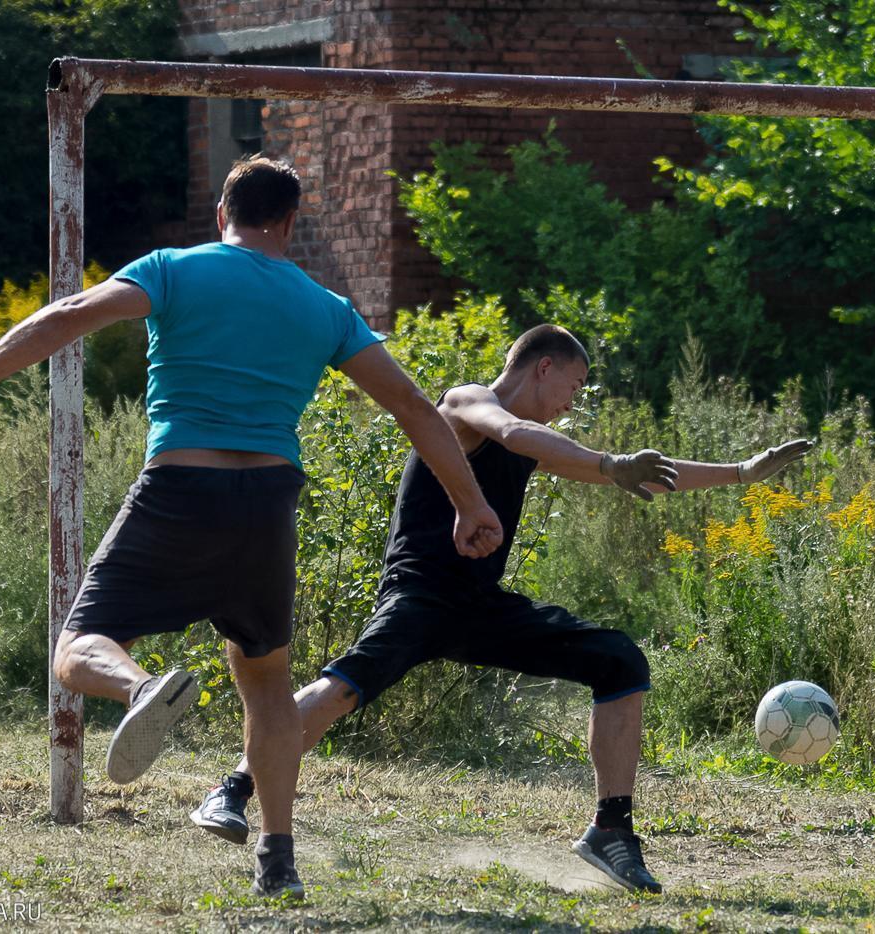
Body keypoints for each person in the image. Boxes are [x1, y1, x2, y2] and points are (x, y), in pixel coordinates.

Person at [0, 156, 504, 899]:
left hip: (180, 489)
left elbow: (66, 316)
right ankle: (278, 858)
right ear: (289, 223)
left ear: (222, 213)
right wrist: (471, 504)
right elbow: (414, 408)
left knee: (77, 649)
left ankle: (142, 689)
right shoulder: (327, 307)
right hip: (267, 503)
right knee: (267, 683)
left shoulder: (173, 269)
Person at [188, 323, 812, 894]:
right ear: (543, 367)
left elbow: (636, 475)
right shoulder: (466, 402)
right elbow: (512, 431)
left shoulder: (534, 439)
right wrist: (609, 461)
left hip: (480, 606)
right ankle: (232, 789)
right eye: (574, 386)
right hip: (421, 595)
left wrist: (741, 473)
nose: (572, 402)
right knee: (340, 691)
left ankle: (611, 831)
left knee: (620, 661)